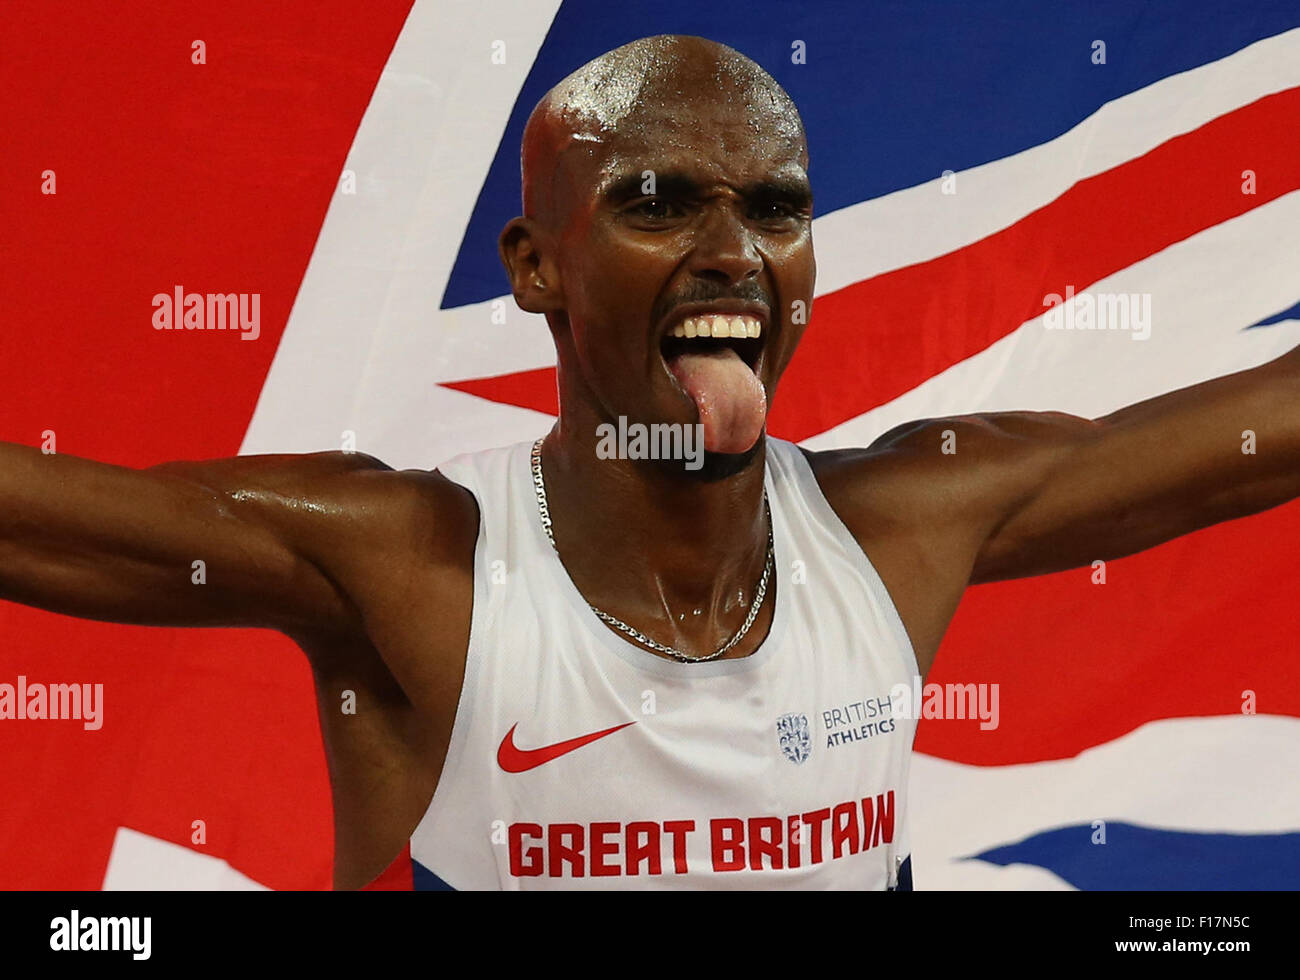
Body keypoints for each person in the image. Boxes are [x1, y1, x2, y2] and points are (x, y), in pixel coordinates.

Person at [3, 34, 1297, 889]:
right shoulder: (406, 562)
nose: (734, 247)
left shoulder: (908, 521)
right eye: (658, 201)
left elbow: (1254, 438)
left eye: (776, 207)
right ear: (534, 265)